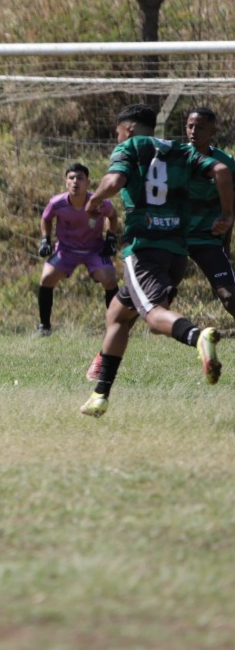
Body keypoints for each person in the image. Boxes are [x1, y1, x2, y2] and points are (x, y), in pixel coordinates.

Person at [79, 104, 233, 417]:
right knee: (118, 314)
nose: (117, 138)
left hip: (144, 248)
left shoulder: (131, 147)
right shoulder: (179, 150)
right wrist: (227, 215)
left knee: (152, 315)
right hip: (175, 252)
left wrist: (94, 200)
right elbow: (220, 171)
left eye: (117, 132)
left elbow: (114, 182)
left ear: (130, 130)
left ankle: (197, 336)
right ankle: (99, 394)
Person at [36, 163, 118, 336]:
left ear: (88, 183)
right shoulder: (57, 203)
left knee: (110, 280)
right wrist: (45, 239)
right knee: (46, 278)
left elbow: (112, 215)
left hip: (94, 249)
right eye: (71, 178)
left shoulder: (98, 203)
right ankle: (44, 327)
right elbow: (46, 218)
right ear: (65, 182)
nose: (75, 182)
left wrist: (111, 237)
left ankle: (114, 327)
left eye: (80, 178)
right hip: (66, 250)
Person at [179, 107, 235, 319]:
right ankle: (111, 345)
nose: (194, 131)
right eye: (190, 126)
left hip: (207, 239)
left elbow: (230, 207)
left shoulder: (226, 164)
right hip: (175, 238)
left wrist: (226, 241)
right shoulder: (175, 158)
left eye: (200, 127)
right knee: (156, 295)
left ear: (213, 131)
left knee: (230, 297)